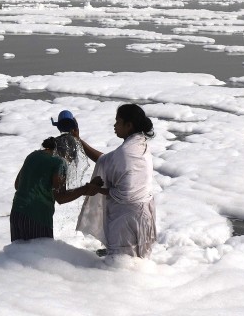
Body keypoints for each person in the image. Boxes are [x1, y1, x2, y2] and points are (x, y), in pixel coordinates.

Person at [76, 104, 157, 258]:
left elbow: (125, 195)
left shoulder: (126, 152)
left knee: (122, 262)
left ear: (129, 125)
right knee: (137, 260)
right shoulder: (140, 144)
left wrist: (97, 189)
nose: (115, 125)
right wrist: (78, 140)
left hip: (128, 217)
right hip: (143, 212)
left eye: (118, 122)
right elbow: (104, 160)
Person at [11, 135, 102, 242]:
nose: (70, 161)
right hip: (38, 217)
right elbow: (61, 198)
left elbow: (17, 185)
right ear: (68, 152)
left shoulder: (32, 155)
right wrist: (85, 189)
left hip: (16, 213)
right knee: (40, 252)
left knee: (18, 251)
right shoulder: (59, 162)